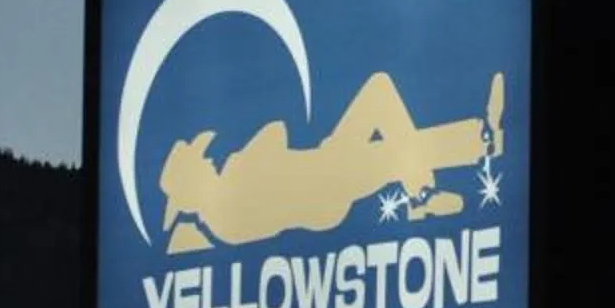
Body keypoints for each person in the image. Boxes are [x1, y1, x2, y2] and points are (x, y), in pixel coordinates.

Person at [158, 67, 505, 252]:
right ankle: (427, 191)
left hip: (322, 175)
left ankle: (479, 142)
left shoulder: (220, 220)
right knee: (387, 128)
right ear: (193, 187)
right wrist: (242, 158)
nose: (208, 161)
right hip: (323, 182)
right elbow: (277, 134)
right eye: (200, 163)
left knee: (386, 123)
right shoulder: (230, 189)